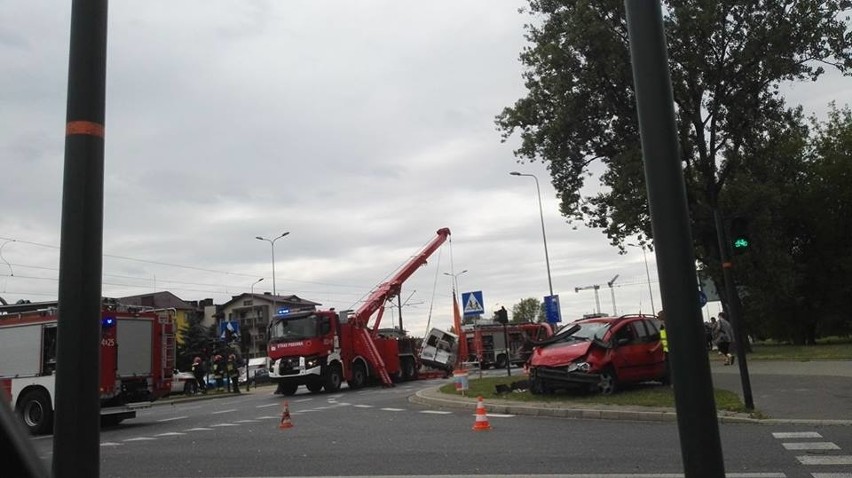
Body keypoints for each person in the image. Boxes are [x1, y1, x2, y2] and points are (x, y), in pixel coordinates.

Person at [657, 310, 670, 385]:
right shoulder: (662, 325)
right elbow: (662, 339)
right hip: (666, 349)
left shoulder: (665, 325)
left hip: (670, 349)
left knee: (669, 366)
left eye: (659, 315)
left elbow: (663, 338)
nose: (658, 317)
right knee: (667, 366)